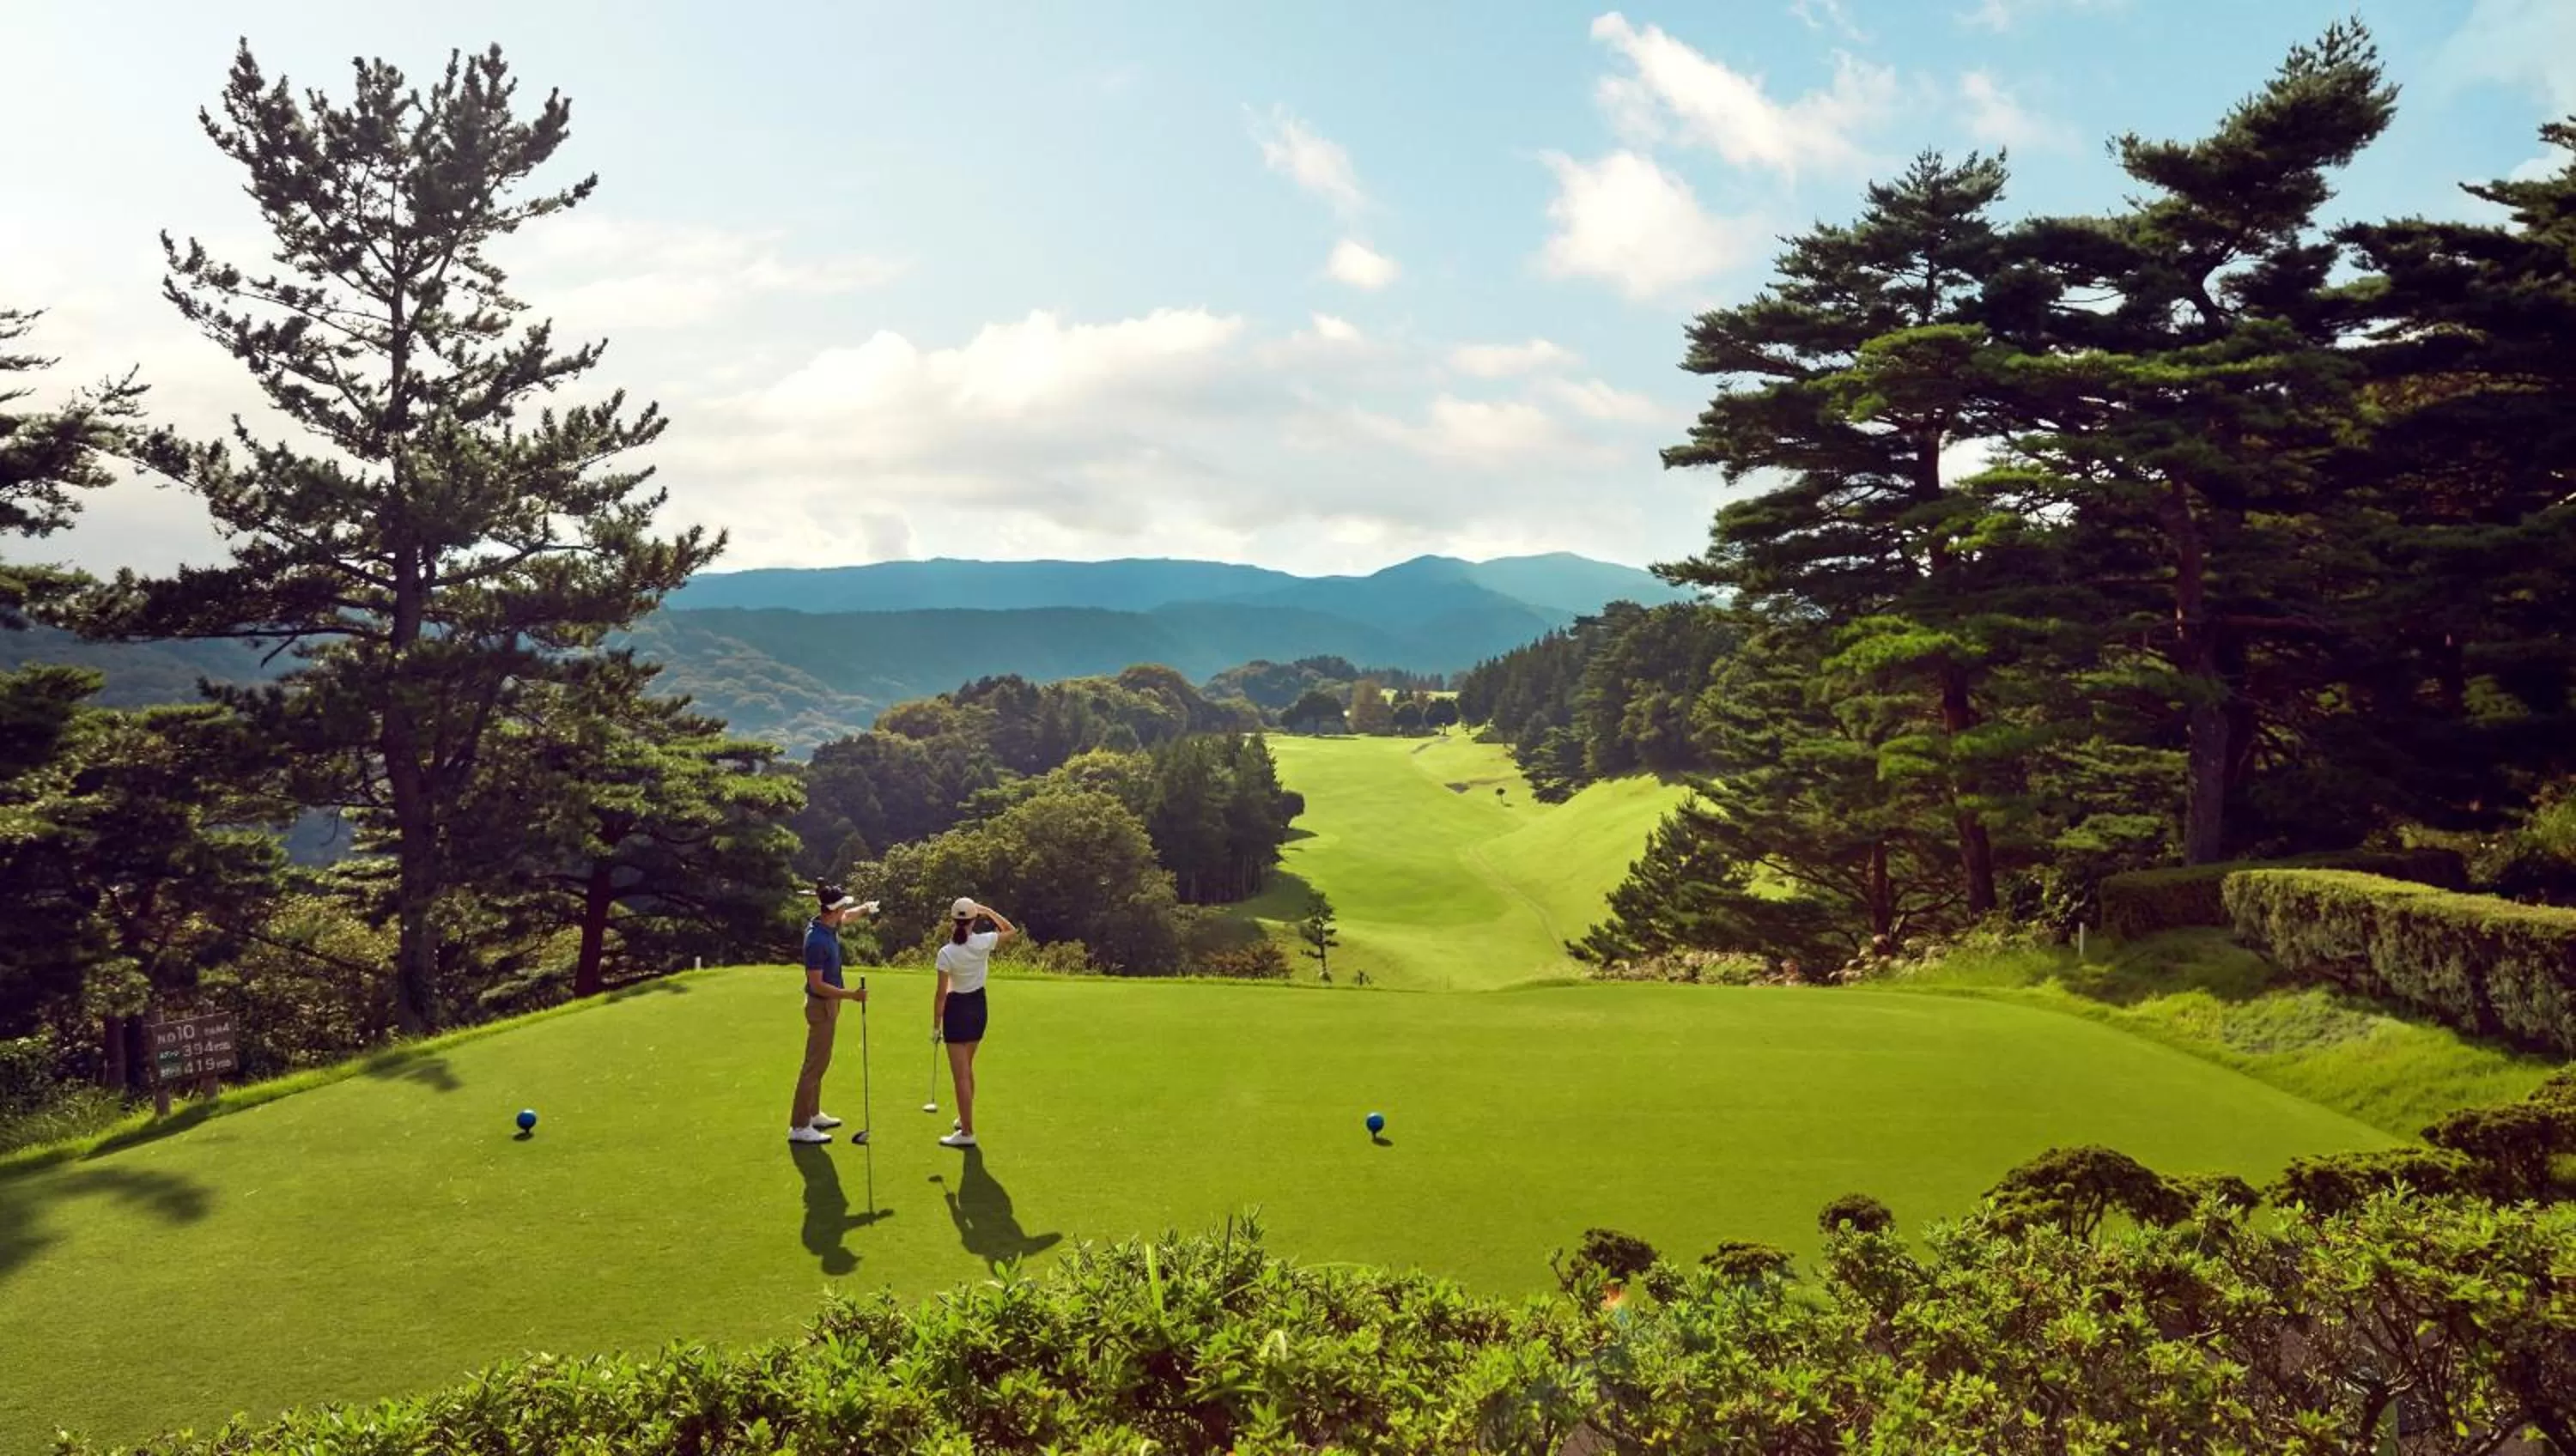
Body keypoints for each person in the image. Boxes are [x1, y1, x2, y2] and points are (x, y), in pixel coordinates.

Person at [790, 883, 877, 1144]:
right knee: (813, 1066)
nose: (845, 911)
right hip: (821, 1005)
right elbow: (816, 984)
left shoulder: (826, 924)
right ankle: (799, 1126)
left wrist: (865, 909)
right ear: (833, 910)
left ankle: (813, 1114)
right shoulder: (816, 940)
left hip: (828, 1005)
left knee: (821, 1063)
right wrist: (851, 995)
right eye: (843, 906)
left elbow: (848, 918)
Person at [933, 895, 1014, 1149]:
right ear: (973, 919)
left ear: (953, 920)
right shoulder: (983, 942)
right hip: (978, 1007)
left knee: (961, 1076)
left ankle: (967, 1132)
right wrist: (988, 910)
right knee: (967, 1069)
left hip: (956, 1010)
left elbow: (940, 994)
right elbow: (1011, 931)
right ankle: (963, 1118)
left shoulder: (946, 953)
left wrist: (936, 1026)